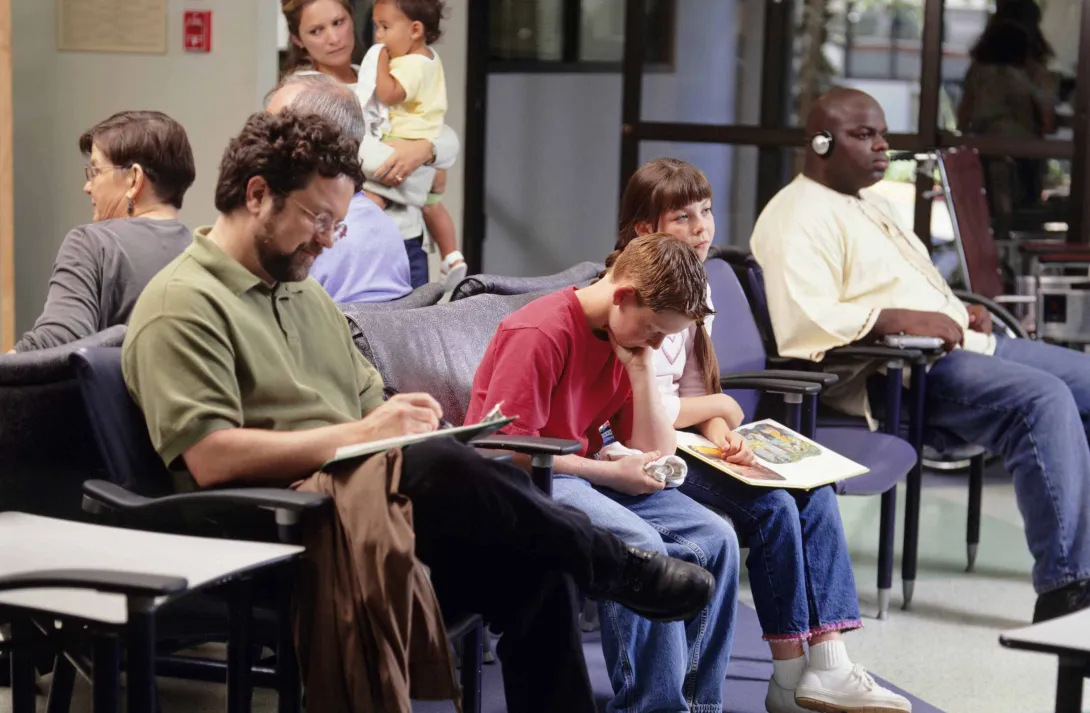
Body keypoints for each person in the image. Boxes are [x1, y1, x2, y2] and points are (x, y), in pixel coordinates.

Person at [121, 109, 713, 713]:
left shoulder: (303, 296)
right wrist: (371, 433)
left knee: (538, 570)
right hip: (277, 527)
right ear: (257, 195)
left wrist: (400, 416)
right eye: (318, 219)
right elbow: (213, 458)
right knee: (441, 466)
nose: (327, 239)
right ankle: (612, 564)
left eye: (337, 225)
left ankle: (588, 564)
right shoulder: (183, 305)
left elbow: (369, 404)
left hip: (366, 501)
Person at [751, 87, 1090, 625]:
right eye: (865, 135)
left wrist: (956, 311)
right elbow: (803, 321)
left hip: (959, 343)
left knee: (1086, 382)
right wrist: (897, 319)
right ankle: (1067, 587)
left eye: (883, 134)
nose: (882, 146)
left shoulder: (872, 202)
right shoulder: (794, 216)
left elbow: (910, 282)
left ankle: (1083, 549)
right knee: (1042, 400)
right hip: (901, 371)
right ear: (820, 143)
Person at [613, 158, 911, 713]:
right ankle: (790, 672)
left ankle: (827, 664)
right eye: (683, 217)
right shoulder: (635, 294)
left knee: (814, 492)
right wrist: (722, 406)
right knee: (773, 504)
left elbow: (697, 383)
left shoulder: (695, 285)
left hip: (687, 437)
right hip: (639, 448)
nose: (703, 228)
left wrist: (727, 434)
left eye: (705, 212)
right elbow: (642, 410)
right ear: (645, 230)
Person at [466, 234, 738, 713]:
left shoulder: (627, 340)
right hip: (528, 480)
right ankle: (651, 708)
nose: (656, 344)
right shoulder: (539, 332)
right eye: (654, 331)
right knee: (643, 549)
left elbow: (654, 447)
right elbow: (502, 448)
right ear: (623, 295)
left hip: (585, 471)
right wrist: (610, 475)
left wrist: (641, 370)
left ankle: (700, 706)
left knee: (718, 537)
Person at [281, 0, 465, 289]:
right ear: (297, 40)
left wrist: (426, 150)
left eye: (338, 22)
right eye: (316, 30)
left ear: (352, 19)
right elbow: (361, 158)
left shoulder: (379, 76)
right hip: (347, 245)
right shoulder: (302, 92)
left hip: (406, 238)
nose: (333, 37)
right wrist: (427, 168)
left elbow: (445, 135)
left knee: (411, 331)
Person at [12, 111, 194, 352]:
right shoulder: (203, 253)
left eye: (95, 171)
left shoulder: (91, 244)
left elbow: (58, 341)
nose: (87, 186)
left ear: (134, 179)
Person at [266, 72, 413, 303]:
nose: (260, 142)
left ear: (310, 141)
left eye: (273, 131)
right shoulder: (385, 226)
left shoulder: (300, 239)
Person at [369, 0, 463, 288]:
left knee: (374, 194)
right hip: (427, 138)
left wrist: (379, 61)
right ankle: (452, 257)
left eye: (385, 27)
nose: (378, 37)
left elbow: (389, 93)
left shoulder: (409, 64)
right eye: (376, 28)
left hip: (405, 140)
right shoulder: (430, 58)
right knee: (432, 204)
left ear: (415, 30)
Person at [957, 0, 1057, 232]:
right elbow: (1047, 121)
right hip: (1024, 152)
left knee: (985, 216)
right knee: (1026, 215)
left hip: (983, 147)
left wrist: (964, 137)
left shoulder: (979, 70)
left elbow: (964, 113)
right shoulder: (1035, 72)